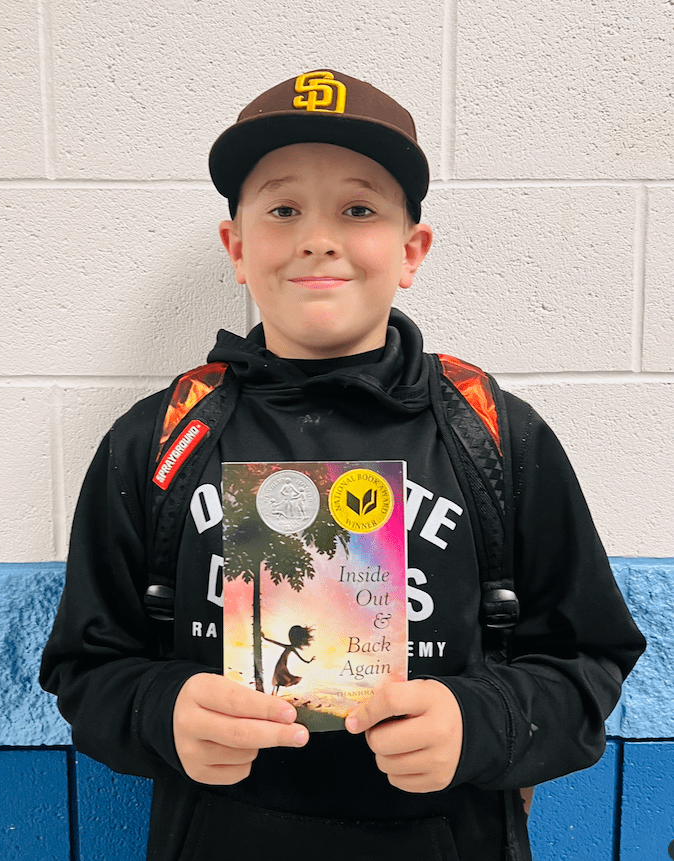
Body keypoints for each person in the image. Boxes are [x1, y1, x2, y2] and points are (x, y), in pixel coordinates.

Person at [40, 69, 645, 861]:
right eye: (282, 209)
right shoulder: (157, 442)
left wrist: (483, 723)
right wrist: (163, 708)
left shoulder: (496, 437)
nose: (317, 237)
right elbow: (87, 666)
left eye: (358, 209)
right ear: (237, 247)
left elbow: (589, 657)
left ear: (410, 250)